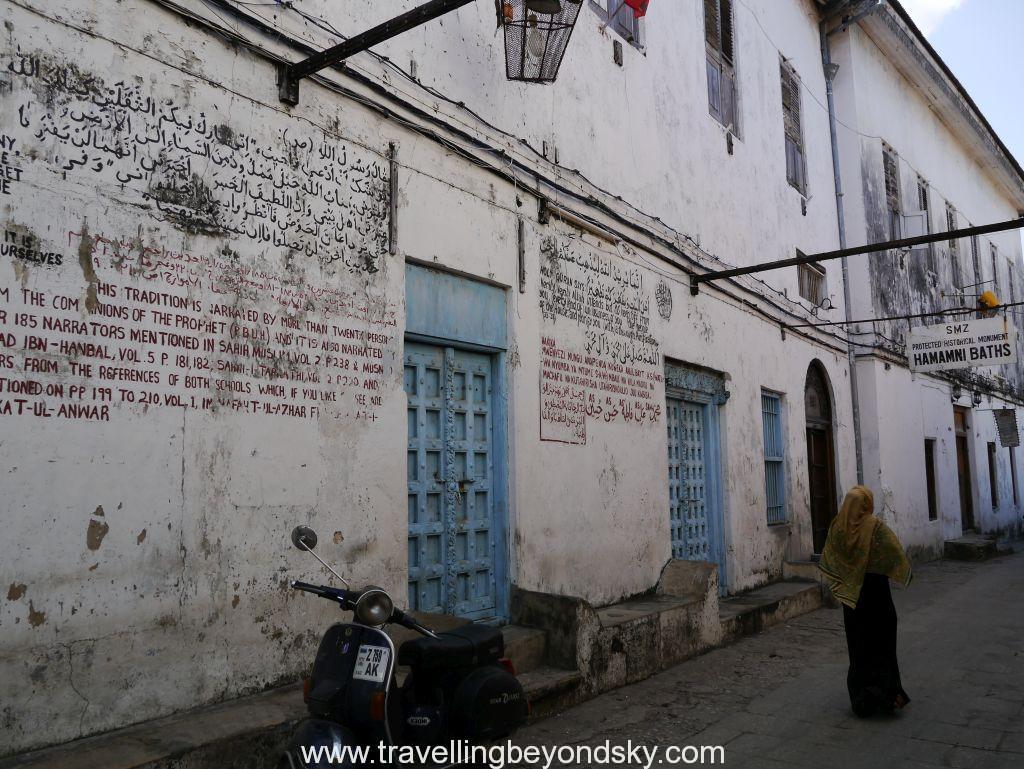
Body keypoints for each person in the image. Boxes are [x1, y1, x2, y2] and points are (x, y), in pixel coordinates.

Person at [819, 485, 913, 717]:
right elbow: (895, 553)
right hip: (877, 594)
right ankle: (885, 696)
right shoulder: (875, 527)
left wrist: (845, 577)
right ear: (866, 504)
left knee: (858, 646)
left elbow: (829, 557)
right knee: (882, 644)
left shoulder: (837, 527)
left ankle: (861, 699)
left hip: (852, 598)